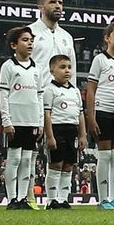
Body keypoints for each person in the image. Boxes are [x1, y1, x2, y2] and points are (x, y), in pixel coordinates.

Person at [84, 21, 114, 210]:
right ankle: (103, 199)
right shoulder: (100, 60)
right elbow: (91, 89)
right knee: (104, 156)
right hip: (103, 112)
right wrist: (91, 117)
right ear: (107, 38)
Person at [0, 26, 45, 210]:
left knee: (27, 159)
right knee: (14, 158)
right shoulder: (8, 66)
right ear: (14, 45)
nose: (30, 43)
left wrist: (40, 121)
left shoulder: (37, 68)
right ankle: (12, 199)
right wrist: (6, 121)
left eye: (31, 40)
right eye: (25, 40)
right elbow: (3, 95)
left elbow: (39, 96)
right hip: (15, 121)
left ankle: (23, 197)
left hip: (31, 120)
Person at [42, 54, 82, 209]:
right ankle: (51, 200)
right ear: (52, 71)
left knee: (68, 166)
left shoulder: (76, 91)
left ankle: (63, 199)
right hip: (57, 129)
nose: (67, 70)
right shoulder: (49, 90)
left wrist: (82, 135)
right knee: (56, 165)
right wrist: (50, 136)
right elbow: (47, 115)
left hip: (72, 130)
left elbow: (80, 114)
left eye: (69, 67)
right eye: (62, 67)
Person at [29, 0, 76, 80]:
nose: (58, 6)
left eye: (60, 3)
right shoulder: (29, 33)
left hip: (61, 93)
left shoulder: (67, 37)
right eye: (52, 2)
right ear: (41, 7)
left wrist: (72, 92)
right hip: (35, 91)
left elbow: (72, 70)